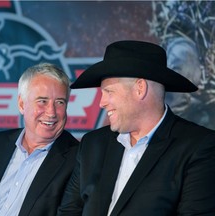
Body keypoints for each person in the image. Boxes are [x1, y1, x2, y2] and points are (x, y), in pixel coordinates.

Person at [57, 40, 215, 215]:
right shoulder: (92, 144)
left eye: (109, 92)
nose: (101, 103)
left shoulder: (198, 147)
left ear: (140, 88)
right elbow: (68, 212)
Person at [0, 62, 79, 216]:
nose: (51, 112)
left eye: (59, 102)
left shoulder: (77, 159)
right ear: (21, 104)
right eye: (42, 101)